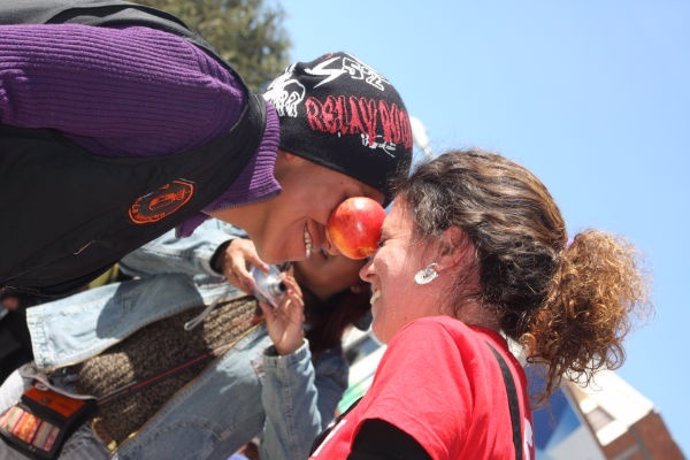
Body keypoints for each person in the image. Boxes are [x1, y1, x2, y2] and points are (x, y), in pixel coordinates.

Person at [0, 0, 413, 298]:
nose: (336, 242)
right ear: (310, 147)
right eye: (353, 205)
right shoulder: (205, 105)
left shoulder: (197, 187)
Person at [309, 148, 650, 459]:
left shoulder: (441, 344)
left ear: (447, 250)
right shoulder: (498, 385)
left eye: (385, 241)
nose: (366, 270)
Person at [0, 220, 372, 459]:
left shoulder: (324, 366)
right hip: (44, 390)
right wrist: (217, 253)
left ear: (362, 279)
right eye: (338, 226)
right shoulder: (241, 248)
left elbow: (287, 454)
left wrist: (289, 353)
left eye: (356, 242)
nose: (336, 241)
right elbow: (131, 248)